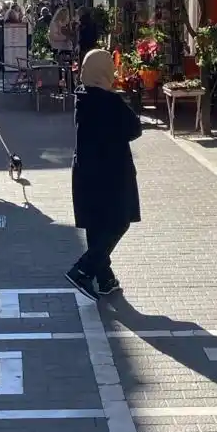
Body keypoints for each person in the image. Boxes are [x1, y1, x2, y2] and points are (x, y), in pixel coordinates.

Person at [67, 48, 142, 299]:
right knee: (118, 221)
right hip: (112, 171)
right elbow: (134, 128)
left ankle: (105, 278)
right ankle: (83, 269)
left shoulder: (82, 96)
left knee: (96, 224)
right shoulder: (108, 101)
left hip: (86, 170)